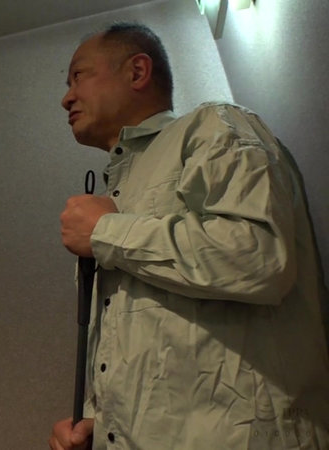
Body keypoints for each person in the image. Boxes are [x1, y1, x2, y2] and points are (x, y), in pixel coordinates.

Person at [50, 23, 329, 449]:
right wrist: (99, 424)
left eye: (78, 76)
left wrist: (107, 231)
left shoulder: (215, 127)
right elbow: (147, 346)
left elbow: (259, 258)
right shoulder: (114, 197)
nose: (66, 97)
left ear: (137, 71)